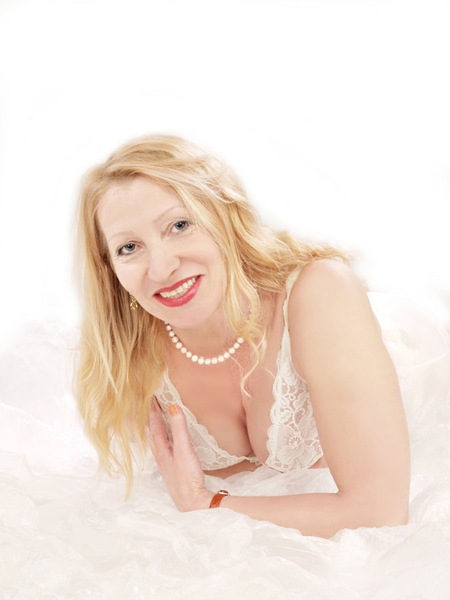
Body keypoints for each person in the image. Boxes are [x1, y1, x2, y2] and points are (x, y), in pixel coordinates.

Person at [76, 134, 410, 538]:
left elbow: (381, 511)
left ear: (223, 216)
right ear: (110, 269)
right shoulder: (126, 351)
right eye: (129, 247)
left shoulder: (319, 293)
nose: (161, 268)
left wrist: (206, 503)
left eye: (179, 225)